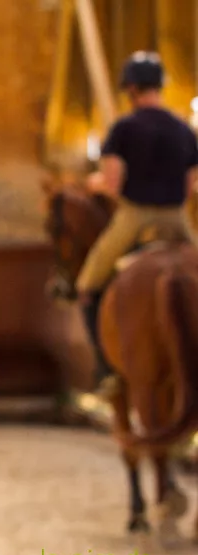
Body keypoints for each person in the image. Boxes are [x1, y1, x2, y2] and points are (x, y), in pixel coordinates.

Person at [77, 50, 198, 392]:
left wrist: (94, 183)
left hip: (134, 215)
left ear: (131, 89)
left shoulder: (124, 129)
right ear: (159, 86)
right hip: (177, 217)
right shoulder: (184, 131)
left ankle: (108, 370)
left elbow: (113, 185)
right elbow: (191, 185)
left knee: (88, 286)